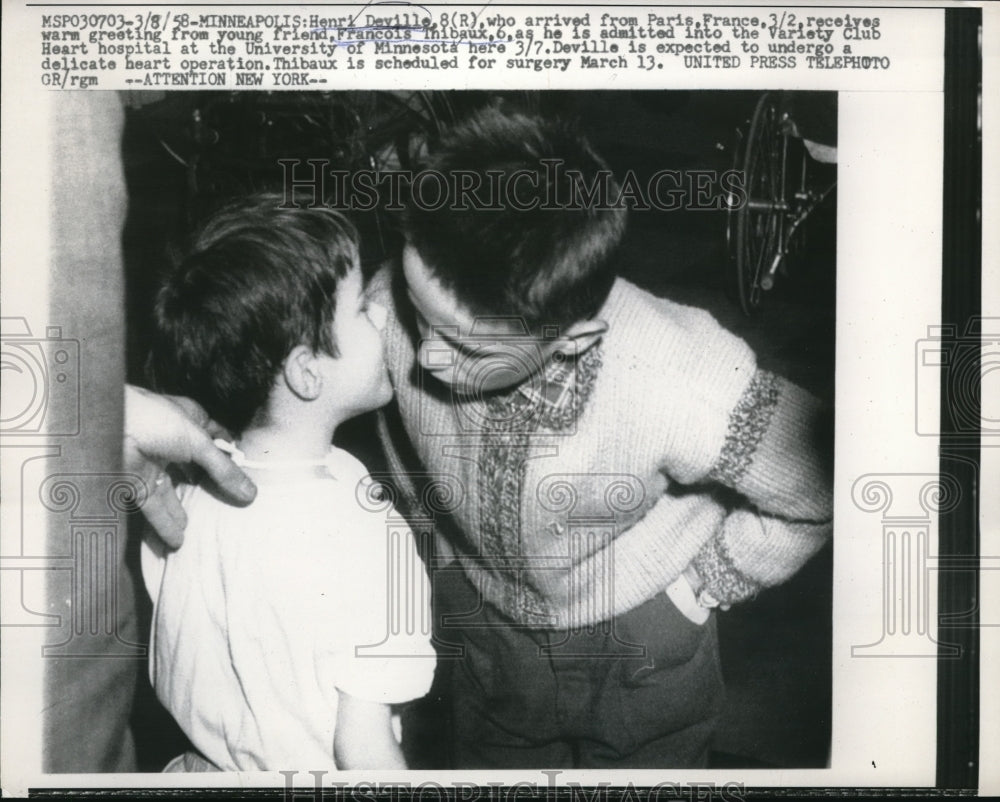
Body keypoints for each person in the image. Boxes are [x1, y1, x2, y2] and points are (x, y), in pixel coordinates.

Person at [132, 106, 832, 769]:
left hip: (641, 639)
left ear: (573, 339)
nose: (422, 356)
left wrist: (704, 585)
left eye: (465, 347)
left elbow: (821, 484)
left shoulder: (683, 379)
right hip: (487, 634)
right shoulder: (403, 305)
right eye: (415, 310)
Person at [138, 195, 436, 771]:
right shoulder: (365, 536)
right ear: (306, 372)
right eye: (360, 310)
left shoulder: (182, 490)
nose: (382, 315)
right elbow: (364, 749)